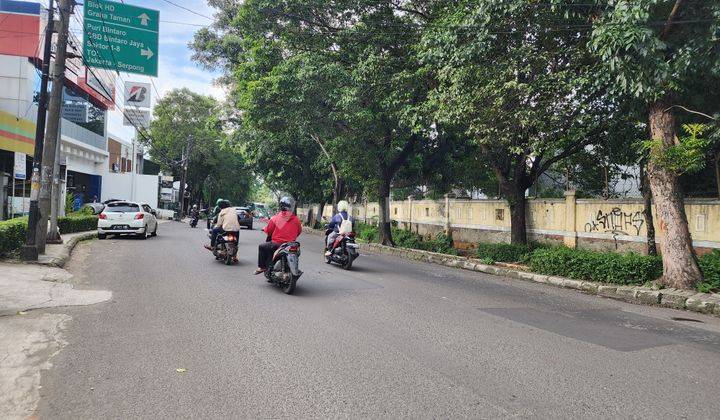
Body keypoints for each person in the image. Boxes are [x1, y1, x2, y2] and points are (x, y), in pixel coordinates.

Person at [254, 197, 302, 275]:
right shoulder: (296, 219)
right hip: (291, 245)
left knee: (262, 247)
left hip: (277, 244)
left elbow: (269, 231)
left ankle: (262, 267)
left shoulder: (276, 218)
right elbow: (299, 231)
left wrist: (265, 229)